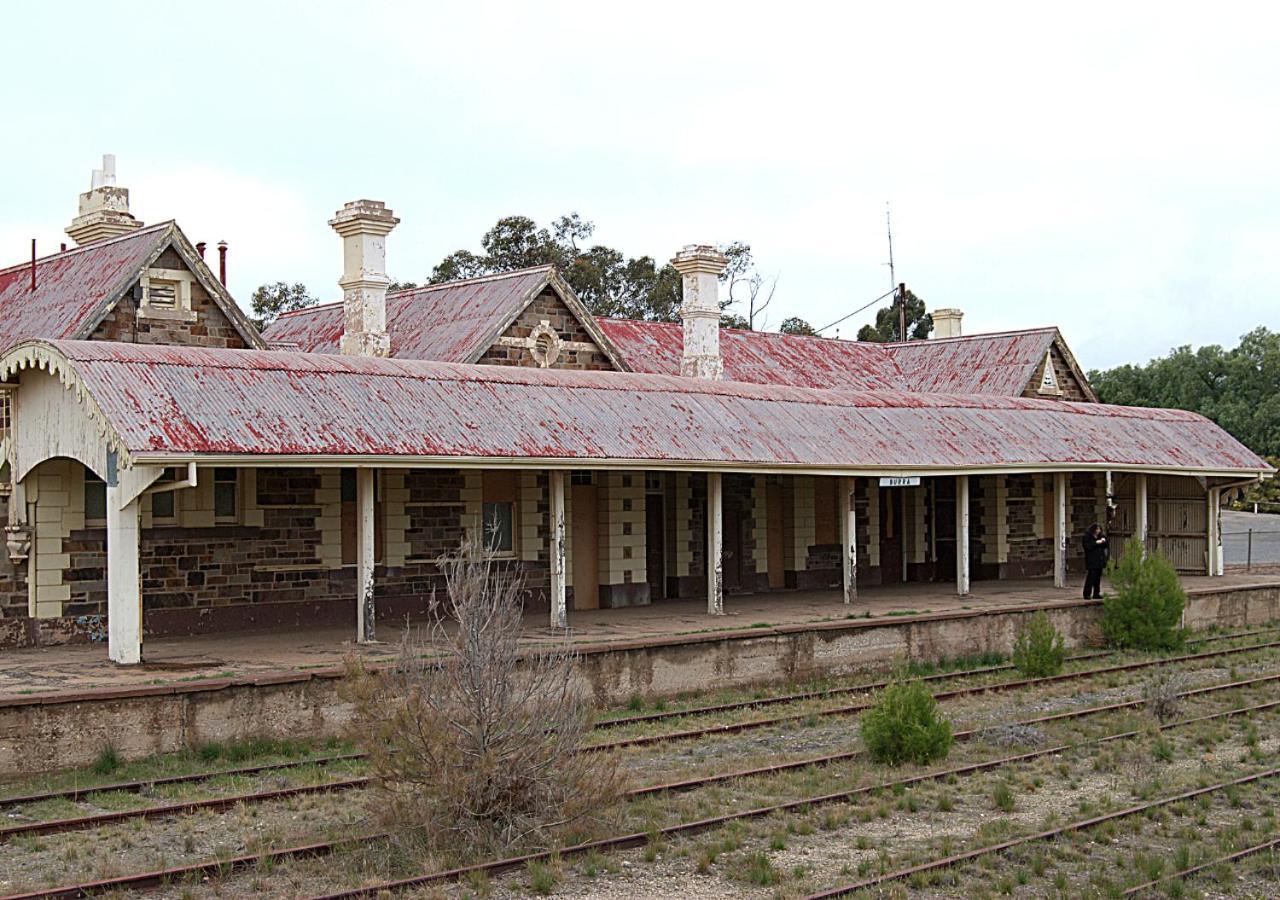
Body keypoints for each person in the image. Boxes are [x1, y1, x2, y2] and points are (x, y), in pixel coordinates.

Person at [1081, 523, 1108, 599]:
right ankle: (1087, 593)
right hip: (1092, 560)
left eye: (1099, 529)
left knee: (1098, 578)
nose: (1098, 531)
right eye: (1096, 529)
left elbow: (1106, 544)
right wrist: (1096, 543)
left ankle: (1096, 593)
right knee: (1091, 577)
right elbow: (1088, 546)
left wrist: (1103, 541)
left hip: (1099, 560)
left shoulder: (1101, 536)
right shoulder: (1087, 537)